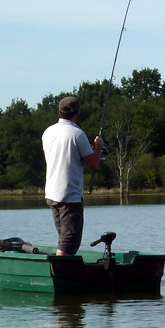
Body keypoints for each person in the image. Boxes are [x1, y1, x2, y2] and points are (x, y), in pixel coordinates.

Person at [42, 96, 104, 256]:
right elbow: (94, 164)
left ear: (59, 112)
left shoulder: (48, 132)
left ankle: (61, 269)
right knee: (69, 241)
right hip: (69, 196)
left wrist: (85, 152)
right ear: (77, 113)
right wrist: (98, 147)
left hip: (52, 194)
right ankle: (60, 274)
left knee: (63, 238)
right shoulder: (77, 134)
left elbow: (53, 158)